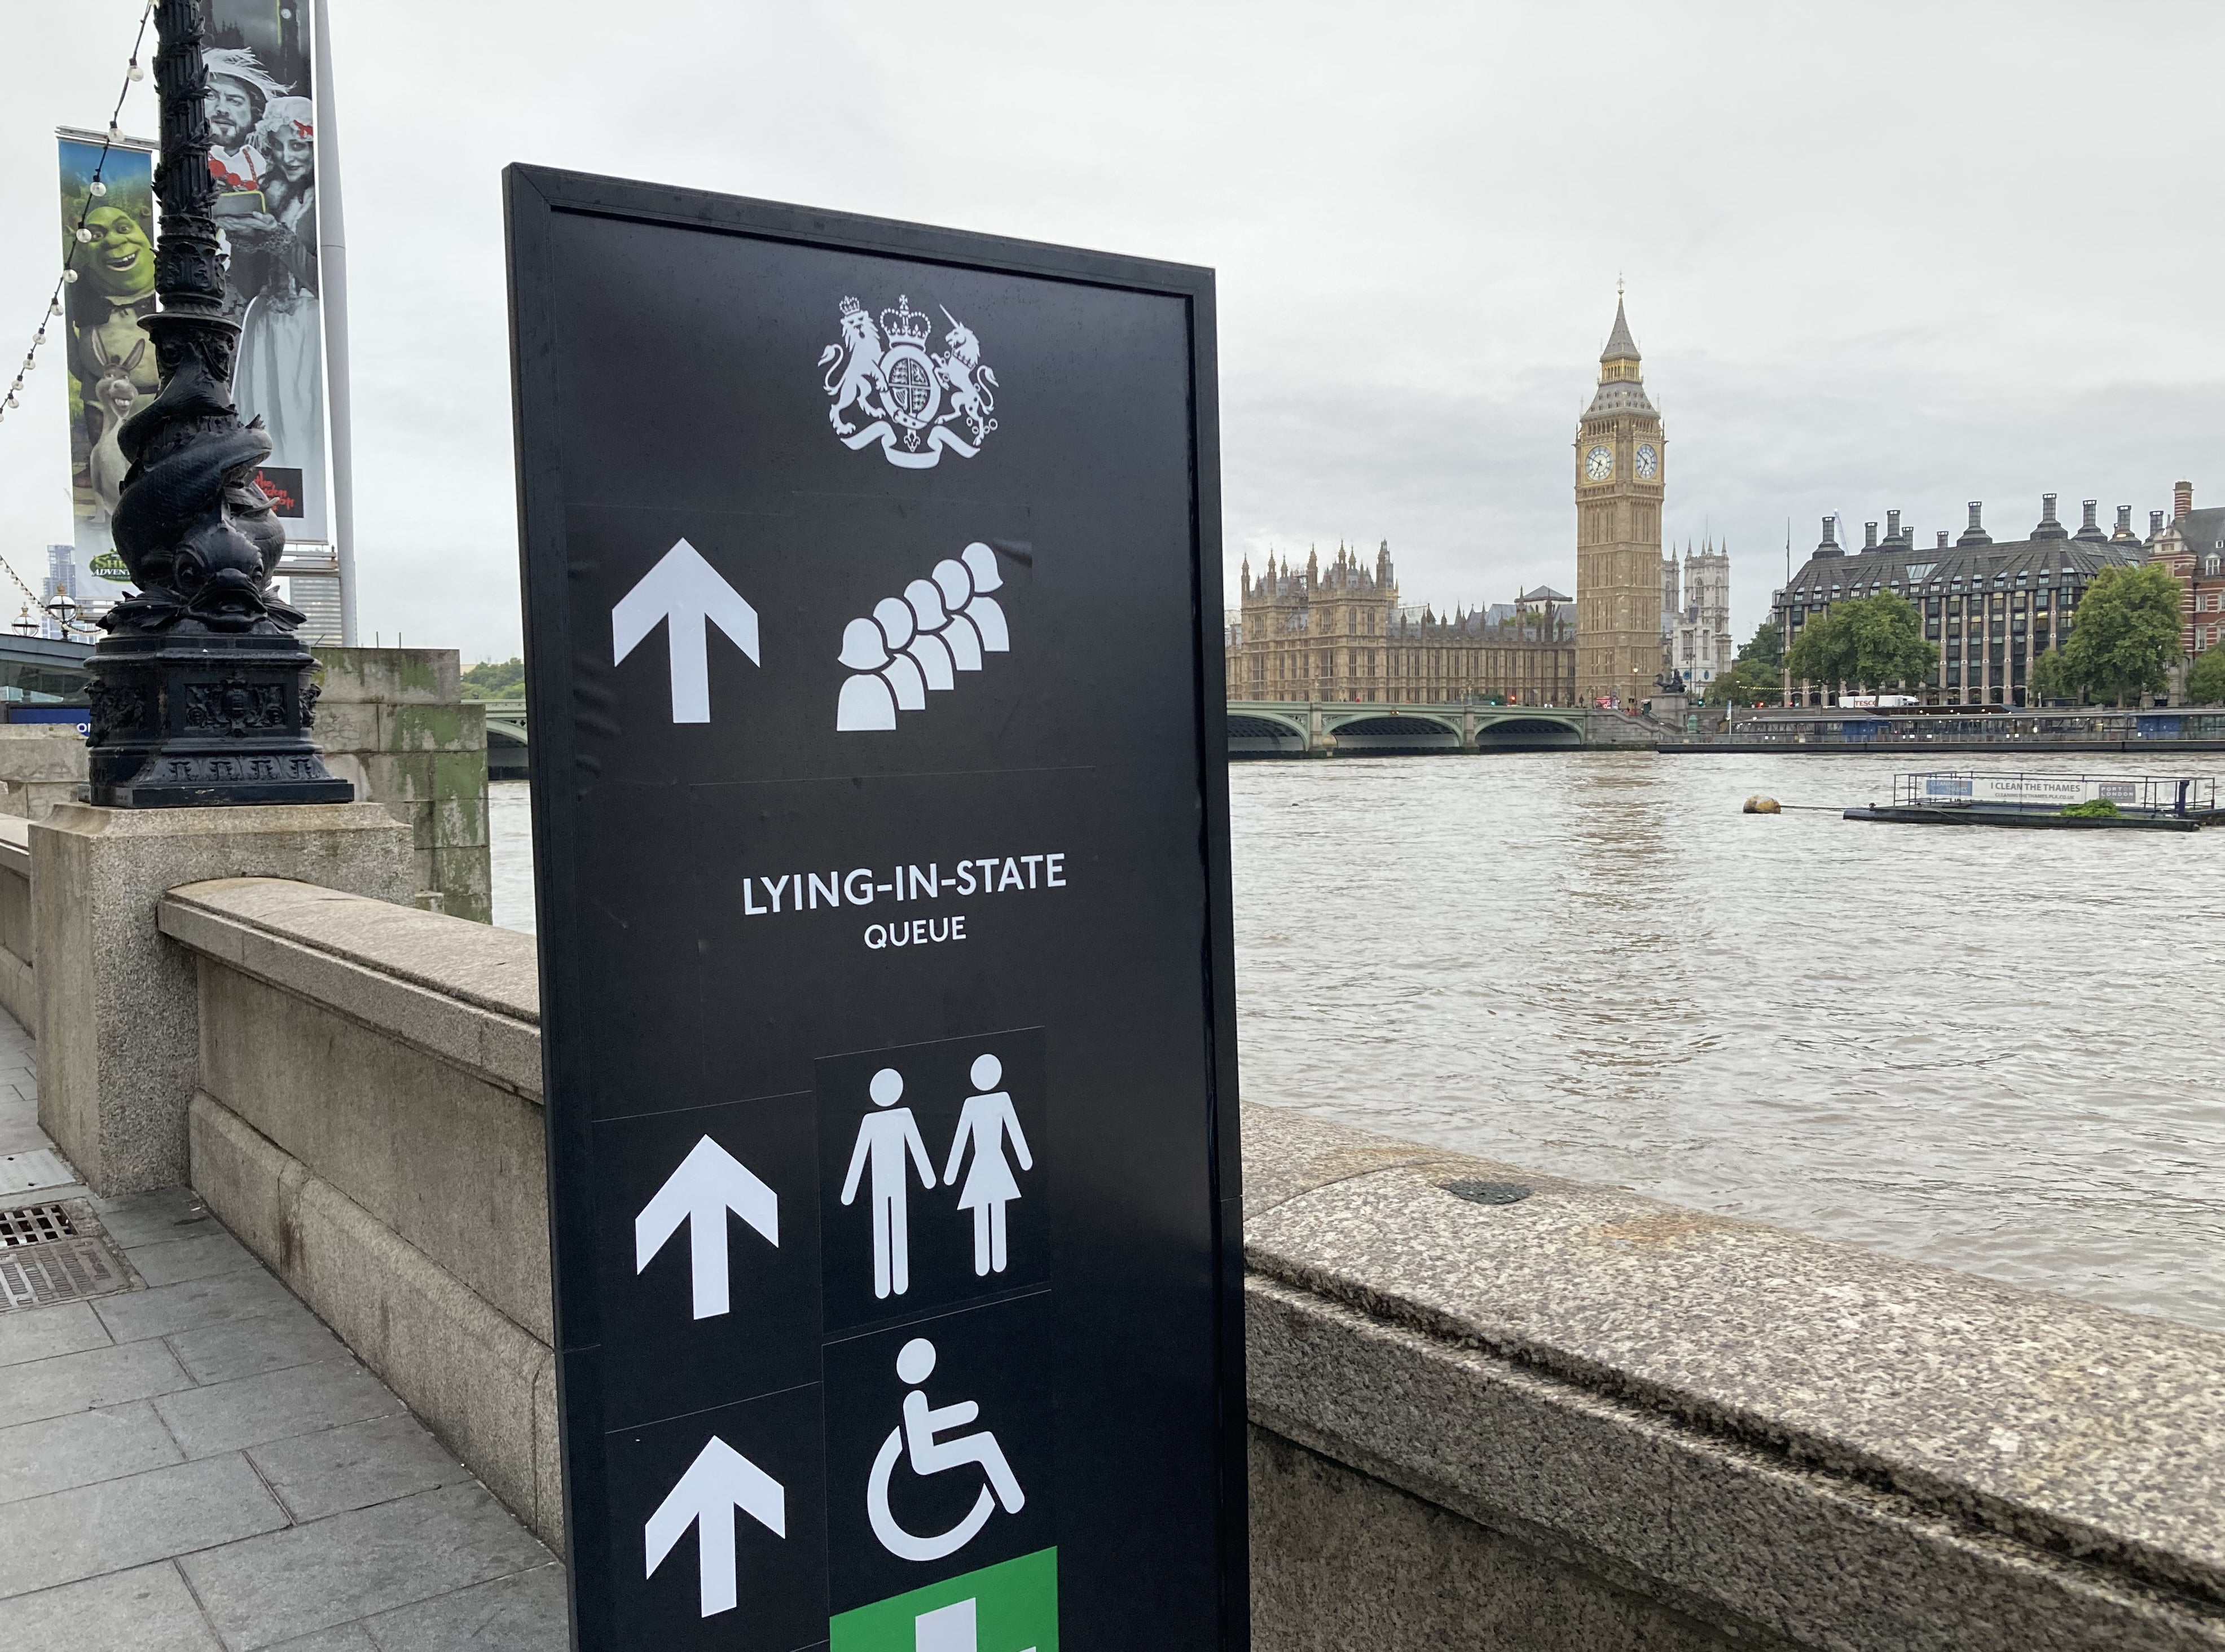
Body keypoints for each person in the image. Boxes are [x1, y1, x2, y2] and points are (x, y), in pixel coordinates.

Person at [841, 1068, 936, 1299]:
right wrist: (849, 1191)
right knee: (883, 1228)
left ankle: (899, 1280)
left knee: (895, 1226)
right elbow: (859, 1156)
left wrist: (928, 1176)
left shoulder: (901, 1117)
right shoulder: (872, 1121)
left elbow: (916, 1148)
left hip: (896, 1185)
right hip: (882, 1187)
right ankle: (885, 1283)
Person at [943, 1054, 1032, 1277]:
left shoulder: (999, 1100)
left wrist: (1024, 1159)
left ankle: (996, 1263)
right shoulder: (973, 1104)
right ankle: (984, 1264)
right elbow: (962, 1137)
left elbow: (1014, 1131)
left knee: (994, 1209)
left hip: (992, 1161)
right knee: (984, 1210)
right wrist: (951, 1172)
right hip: (984, 1162)